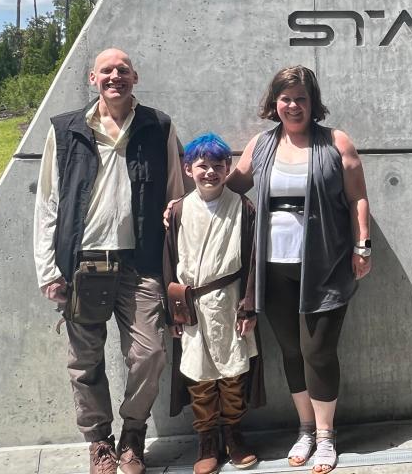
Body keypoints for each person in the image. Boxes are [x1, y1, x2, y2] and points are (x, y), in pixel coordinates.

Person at [33, 48, 184, 474]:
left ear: (134, 76)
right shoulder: (65, 130)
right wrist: (48, 269)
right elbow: (48, 203)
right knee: (84, 362)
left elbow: (175, 198)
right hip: (82, 265)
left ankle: (133, 434)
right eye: (107, 71)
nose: (115, 76)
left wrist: (177, 264)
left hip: (141, 264)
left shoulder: (159, 126)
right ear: (91, 78)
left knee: (151, 353)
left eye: (123, 70)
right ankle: (99, 442)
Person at [226, 65, 371, 474]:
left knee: (318, 352)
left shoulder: (335, 142)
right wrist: (182, 203)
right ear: (275, 103)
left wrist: (363, 245)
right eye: (285, 98)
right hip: (273, 268)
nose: (293, 105)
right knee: (291, 351)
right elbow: (230, 186)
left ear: (313, 103)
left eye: (300, 98)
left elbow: (358, 197)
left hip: (324, 265)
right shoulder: (262, 145)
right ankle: (305, 429)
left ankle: (326, 436)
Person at [163, 133, 265, 474]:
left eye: (218, 166)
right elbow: (168, 262)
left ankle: (233, 434)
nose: (210, 172)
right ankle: (207, 439)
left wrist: (249, 305)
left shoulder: (242, 207)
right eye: (202, 166)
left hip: (230, 301)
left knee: (233, 373)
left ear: (228, 168)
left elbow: (253, 260)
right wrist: (173, 311)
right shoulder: (178, 210)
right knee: (200, 376)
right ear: (188, 168)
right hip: (191, 305)